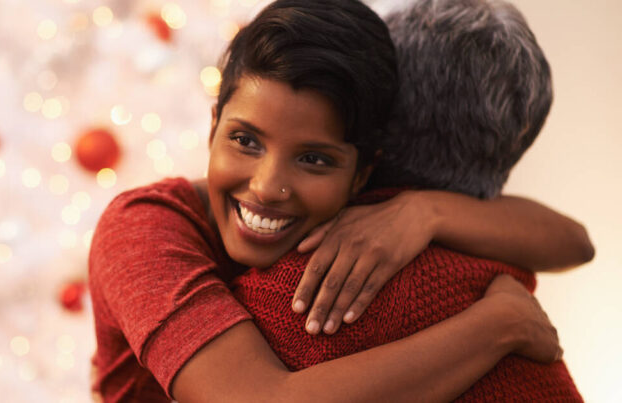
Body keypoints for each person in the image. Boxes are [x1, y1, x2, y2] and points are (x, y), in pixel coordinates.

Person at [87, 1, 591, 401]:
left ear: (362, 174)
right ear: (214, 123)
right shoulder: (141, 229)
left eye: (314, 159)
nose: (267, 186)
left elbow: (572, 242)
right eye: (245, 140)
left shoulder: (355, 217)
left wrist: (427, 211)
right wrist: (498, 326)